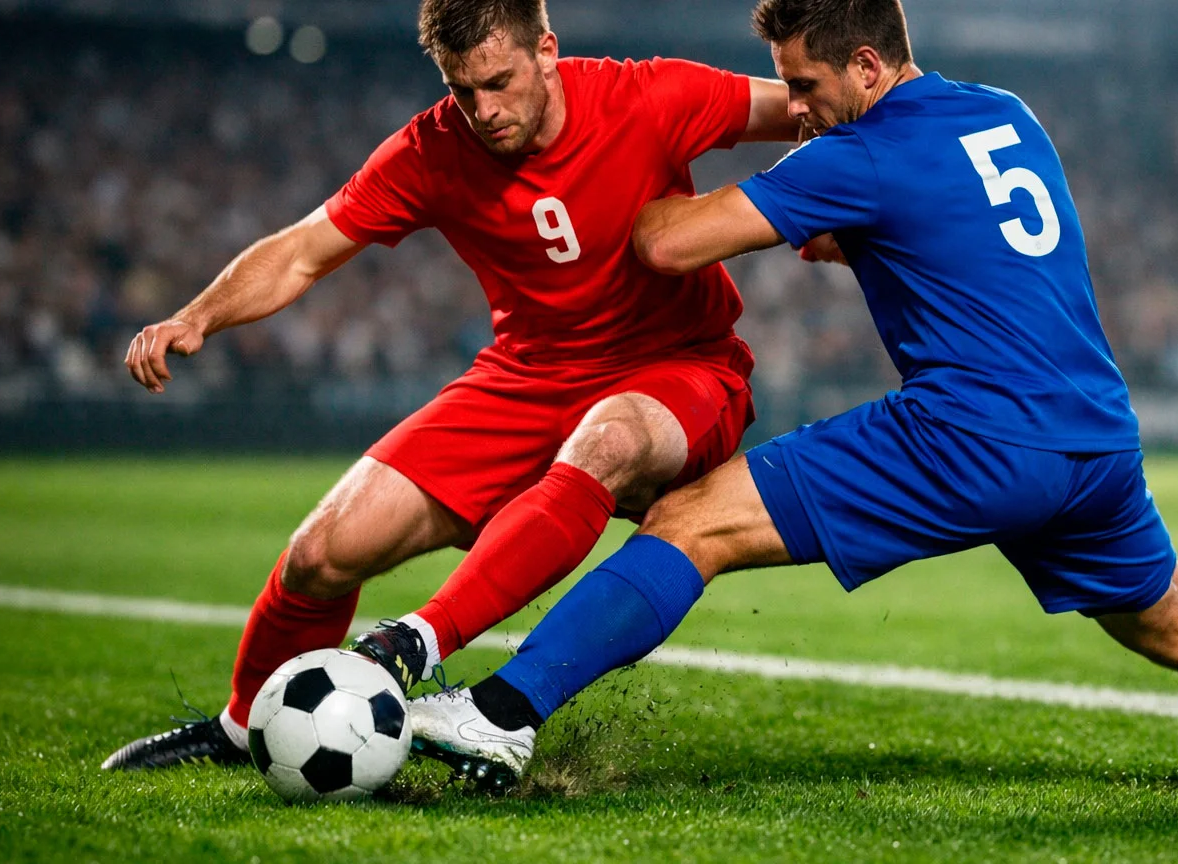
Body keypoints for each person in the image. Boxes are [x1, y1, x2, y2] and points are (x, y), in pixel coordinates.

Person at [403, 0, 1178, 794]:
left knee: (692, 520)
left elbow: (666, 243)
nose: (797, 113)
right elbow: (941, 227)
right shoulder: (1005, 112)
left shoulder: (864, 147)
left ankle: (501, 709)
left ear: (867, 63)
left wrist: (628, 155)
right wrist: (847, 220)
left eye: (806, 86)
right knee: (1176, 620)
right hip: (1093, 437)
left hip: (974, 432)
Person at [101, 0, 801, 771]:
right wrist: (197, 317)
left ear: (546, 51)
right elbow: (304, 250)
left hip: (681, 367)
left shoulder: (647, 94)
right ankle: (242, 729)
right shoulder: (433, 148)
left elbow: (810, 104)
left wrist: (846, 204)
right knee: (321, 555)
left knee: (612, 438)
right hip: (525, 376)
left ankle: (418, 640)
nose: (483, 111)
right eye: (463, 90)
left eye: (498, 82)